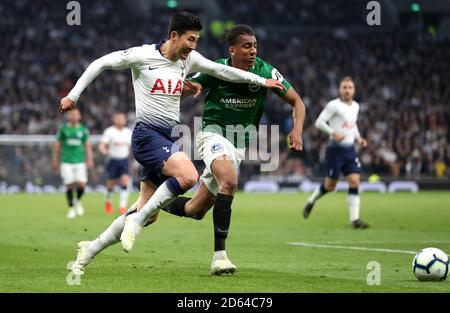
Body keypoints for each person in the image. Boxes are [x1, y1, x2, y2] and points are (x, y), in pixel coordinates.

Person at [62, 12, 284, 275]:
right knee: (189, 175)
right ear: (173, 36)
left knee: (149, 210)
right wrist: (73, 96)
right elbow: (101, 63)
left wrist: (261, 80)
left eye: (197, 41)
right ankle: (137, 222)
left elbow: (222, 70)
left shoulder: (188, 60)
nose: (193, 46)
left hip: (167, 136)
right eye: (190, 40)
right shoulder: (142, 56)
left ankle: (90, 249)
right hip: (146, 135)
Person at [139, 24, 305, 275]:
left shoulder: (265, 70)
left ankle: (154, 203)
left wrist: (297, 130)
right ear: (233, 50)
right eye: (247, 46)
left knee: (195, 210)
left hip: (238, 145)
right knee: (229, 181)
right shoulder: (215, 68)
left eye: (255, 46)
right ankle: (220, 257)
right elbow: (181, 90)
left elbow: (297, 101)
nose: (253, 51)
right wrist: (185, 90)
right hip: (212, 135)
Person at [302, 76, 369, 229]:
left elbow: (352, 125)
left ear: (354, 90)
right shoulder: (333, 105)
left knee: (355, 181)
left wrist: (358, 138)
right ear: (340, 89)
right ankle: (311, 200)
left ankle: (355, 219)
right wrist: (333, 133)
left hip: (350, 150)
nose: (347, 90)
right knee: (330, 186)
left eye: (350, 87)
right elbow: (319, 122)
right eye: (344, 87)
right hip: (335, 151)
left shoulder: (356, 106)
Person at [52, 108, 94, 218]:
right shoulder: (63, 129)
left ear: (79, 117)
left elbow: (87, 145)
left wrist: (90, 159)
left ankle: (77, 201)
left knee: (82, 184)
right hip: (66, 161)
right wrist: (55, 159)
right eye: (73, 115)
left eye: (77, 115)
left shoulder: (83, 129)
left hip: (80, 161)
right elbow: (57, 145)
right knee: (69, 185)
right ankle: (71, 208)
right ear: (69, 116)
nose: (75, 117)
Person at [99, 112, 132, 215]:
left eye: (122, 118)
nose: (121, 120)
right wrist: (104, 150)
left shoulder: (128, 132)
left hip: (124, 160)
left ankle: (122, 206)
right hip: (112, 160)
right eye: (119, 118)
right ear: (115, 120)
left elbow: (133, 146)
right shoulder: (110, 131)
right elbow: (102, 145)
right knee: (110, 184)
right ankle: (108, 201)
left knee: (124, 180)